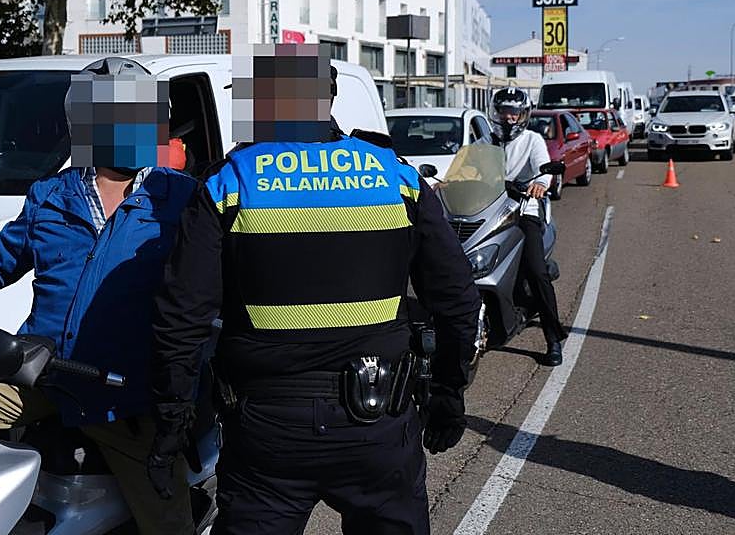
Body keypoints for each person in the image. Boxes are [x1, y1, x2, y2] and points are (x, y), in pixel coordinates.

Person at [149, 43, 480, 535]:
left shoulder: (230, 182)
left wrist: (171, 423)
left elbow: (181, 317)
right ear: (329, 98)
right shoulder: (397, 177)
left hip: (267, 433)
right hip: (379, 423)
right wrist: (448, 392)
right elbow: (457, 299)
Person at [0, 63, 198, 535]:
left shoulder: (178, 199)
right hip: (44, 375)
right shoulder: (51, 196)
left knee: (168, 521)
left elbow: (207, 288)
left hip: (127, 396)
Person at [489, 86, 567, 366]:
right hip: (490, 210)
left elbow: (544, 168)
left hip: (524, 209)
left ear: (523, 114)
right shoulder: (486, 141)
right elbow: (466, 165)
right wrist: (449, 182)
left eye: (514, 112)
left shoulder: (533, 140)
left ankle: (553, 339)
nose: (508, 117)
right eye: (504, 111)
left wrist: (540, 184)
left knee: (536, 271)